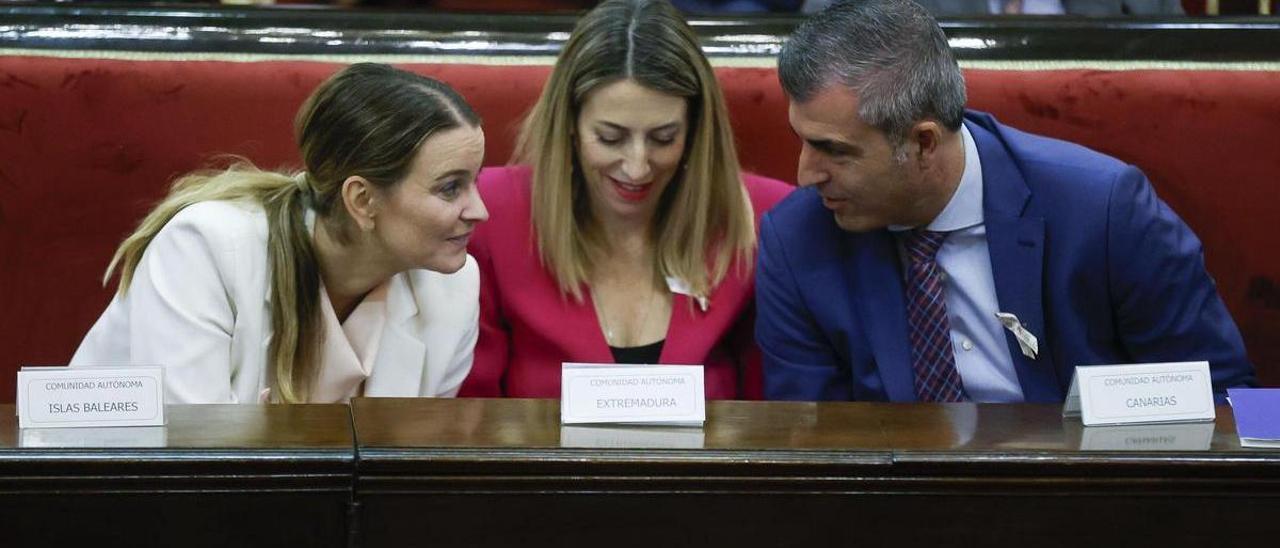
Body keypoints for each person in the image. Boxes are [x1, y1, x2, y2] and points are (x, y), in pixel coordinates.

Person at [757, 0, 1255, 403]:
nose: (805, 175)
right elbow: (812, 446)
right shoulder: (796, 240)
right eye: (803, 140)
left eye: (834, 151)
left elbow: (1228, 398)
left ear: (924, 143)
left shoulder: (1103, 210)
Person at [71, 63, 489, 404]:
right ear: (362, 200)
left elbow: (406, 478)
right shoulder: (204, 248)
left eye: (475, 182)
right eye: (450, 187)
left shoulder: (454, 288)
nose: (480, 210)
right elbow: (190, 470)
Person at [458, 0, 793, 399]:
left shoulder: (765, 218)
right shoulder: (489, 212)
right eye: (611, 138)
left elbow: (778, 413)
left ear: (696, 131)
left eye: (663, 138)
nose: (637, 168)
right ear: (569, 125)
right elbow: (470, 414)